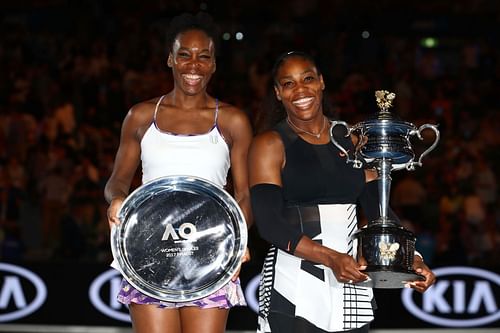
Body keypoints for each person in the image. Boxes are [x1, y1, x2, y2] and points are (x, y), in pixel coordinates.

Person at [248, 51, 436, 333]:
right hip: (294, 284)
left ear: (321, 82)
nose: (300, 89)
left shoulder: (356, 140)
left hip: (352, 283)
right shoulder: (269, 144)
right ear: (278, 93)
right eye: (288, 83)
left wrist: (412, 259)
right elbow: (270, 224)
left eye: (308, 79)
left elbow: (378, 212)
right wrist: (330, 258)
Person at [104, 12, 253, 333]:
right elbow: (117, 179)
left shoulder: (233, 120)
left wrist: (238, 240)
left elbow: (244, 193)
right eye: (184, 54)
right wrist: (116, 199)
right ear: (170, 60)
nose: (193, 65)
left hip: (211, 248)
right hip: (150, 247)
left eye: (204, 57)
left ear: (213, 64)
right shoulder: (141, 115)